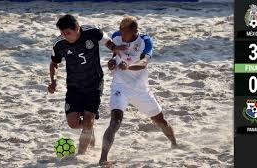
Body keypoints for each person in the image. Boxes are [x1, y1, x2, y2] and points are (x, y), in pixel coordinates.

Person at [99, 16, 177, 165]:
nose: (121, 35)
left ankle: (174, 143)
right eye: (120, 31)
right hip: (119, 86)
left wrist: (128, 67)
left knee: (160, 120)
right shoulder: (117, 36)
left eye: (125, 32)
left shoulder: (145, 42)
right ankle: (103, 159)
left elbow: (144, 62)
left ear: (135, 30)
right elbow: (115, 55)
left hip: (139, 87)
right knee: (115, 121)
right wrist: (112, 62)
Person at [47, 14, 123, 154]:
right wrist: (53, 81)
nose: (65, 36)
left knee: (88, 121)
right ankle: (90, 127)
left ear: (77, 28)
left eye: (68, 33)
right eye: (62, 33)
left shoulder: (92, 32)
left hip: (94, 84)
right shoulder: (59, 44)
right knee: (73, 123)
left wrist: (114, 49)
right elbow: (54, 63)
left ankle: (80, 154)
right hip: (74, 86)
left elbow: (107, 41)